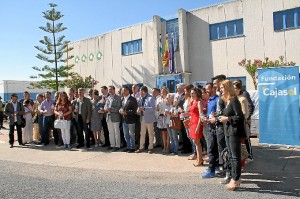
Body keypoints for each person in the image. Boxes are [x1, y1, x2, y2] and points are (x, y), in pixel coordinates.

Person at [218, 80, 245, 191]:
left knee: (235, 157)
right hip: (228, 131)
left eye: (222, 88)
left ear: (228, 88)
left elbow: (240, 117)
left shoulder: (234, 100)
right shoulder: (227, 101)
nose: (220, 90)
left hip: (235, 132)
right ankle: (235, 178)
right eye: (220, 88)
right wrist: (218, 117)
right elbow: (225, 114)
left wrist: (227, 118)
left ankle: (235, 179)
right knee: (231, 156)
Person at [234, 79, 254, 163]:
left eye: (235, 86)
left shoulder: (244, 95)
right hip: (237, 122)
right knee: (241, 141)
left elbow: (250, 106)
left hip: (244, 122)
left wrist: (247, 117)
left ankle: (250, 156)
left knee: (246, 139)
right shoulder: (234, 97)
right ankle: (243, 156)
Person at [182, 88, 204, 167]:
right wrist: (186, 114)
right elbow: (192, 113)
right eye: (191, 93)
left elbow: (201, 115)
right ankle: (199, 159)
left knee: (197, 143)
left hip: (196, 123)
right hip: (192, 123)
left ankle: (200, 159)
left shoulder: (199, 102)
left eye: (193, 93)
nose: (191, 94)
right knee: (195, 142)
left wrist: (198, 126)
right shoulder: (193, 102)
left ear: (197, 93)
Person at [135, 86, 156, 154]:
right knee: (142, 133)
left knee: (150, 133)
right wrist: (138, 110)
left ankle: (150, 147)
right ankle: (141, 147)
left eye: (140, 91)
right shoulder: (141, 98)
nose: (139, 93)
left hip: (149, 118)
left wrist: (144, 108)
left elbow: (153, 109)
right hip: (143, 118)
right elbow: (140, 107)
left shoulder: (151, 98)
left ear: (143, 91)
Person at [104, 85, 122, 151]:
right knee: (111, 132)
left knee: (116, 132)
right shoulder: (108, 98)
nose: (109, 91)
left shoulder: (118, 97)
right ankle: (112, 145)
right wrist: (105, 109)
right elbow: (105, 106)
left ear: (114, 90)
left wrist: (111, 109)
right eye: (109, 90)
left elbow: (118, 108)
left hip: (115, 117)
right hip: (108, 117)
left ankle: (117, 146)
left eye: (111, 89)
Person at [120, 86, 138, 153]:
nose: (123, 92)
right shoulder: (122, 99)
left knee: (131, 134)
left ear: (128, 91)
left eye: (124, 90)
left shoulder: (132, 99)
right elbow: (121, 107)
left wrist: (126, 112)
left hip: (131, 120)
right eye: (122, 90)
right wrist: (120, 110)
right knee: (126, 134)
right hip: (124, 120)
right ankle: (128, 146)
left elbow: (134, 110)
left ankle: (132, 147)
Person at [156, 87, 169, 153]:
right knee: (163, 132)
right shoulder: (158, 99)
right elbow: (157, 108)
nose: (162, 92)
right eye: (162, 91)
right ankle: (164, 146)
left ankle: (168, 146)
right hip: (161, 116)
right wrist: (157, 107)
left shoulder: (168, 98)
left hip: (167, 116)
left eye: (164, 91)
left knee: (168, 133)